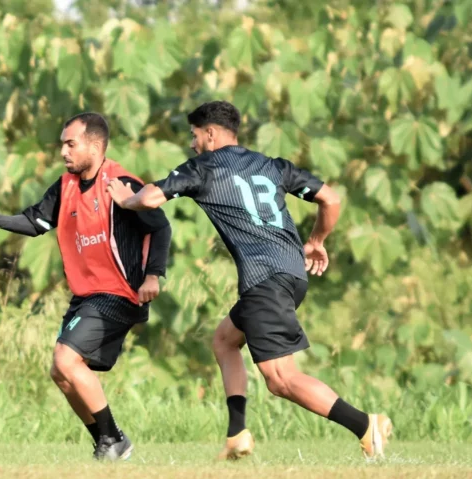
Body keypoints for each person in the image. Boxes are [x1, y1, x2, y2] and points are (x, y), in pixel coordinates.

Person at [106, 100, 392, 460]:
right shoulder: (271, 165)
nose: (192, 144)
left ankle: (365, 425)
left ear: (211, 134)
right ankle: (237, 434)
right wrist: (316, 241)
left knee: (280, 379)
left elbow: (150, 199)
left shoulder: (204, 168)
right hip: (291, 274)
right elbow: (331, 200)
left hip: (265, 280)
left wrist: (126, 199)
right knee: (225, 340)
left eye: (194, 135)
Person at [0, 113, 171, 461]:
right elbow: (35, 222)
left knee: (66, 358)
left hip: (119, 293)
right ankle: (107, 442)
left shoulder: (120, 183)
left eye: (71, 144)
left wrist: (153, 276)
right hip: (86, 295)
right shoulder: (65, 187)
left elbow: (160, 227)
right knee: (60, 372)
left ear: (95, 146)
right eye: (62, 144)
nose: (63, 151)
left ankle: (115, 439)